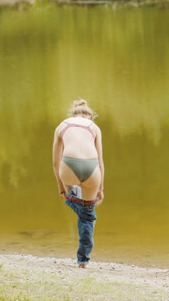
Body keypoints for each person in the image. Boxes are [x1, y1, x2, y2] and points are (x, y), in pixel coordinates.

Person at [52, 99, 105, 268]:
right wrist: (101, 189)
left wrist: (61, 186)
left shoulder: (62, 125)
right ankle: (83, 260)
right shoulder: (94, 127)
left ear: (74, 114)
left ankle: (77, 204)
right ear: (89, 116)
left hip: (69, 168)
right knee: (88, 214)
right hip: (91, 169)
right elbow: (100, 161)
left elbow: (55, 162)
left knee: (74, 200)